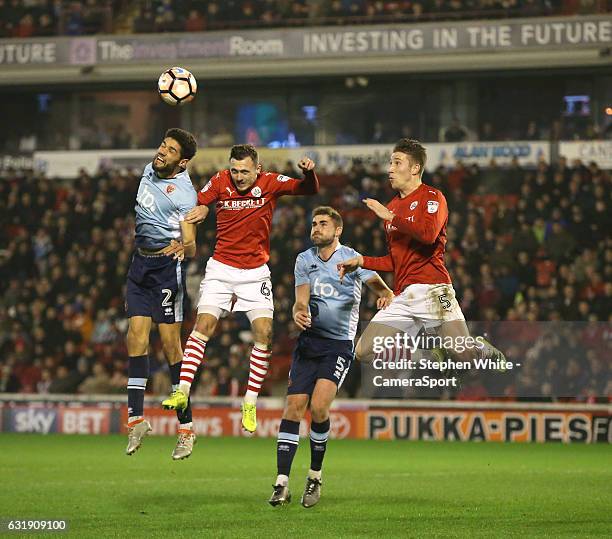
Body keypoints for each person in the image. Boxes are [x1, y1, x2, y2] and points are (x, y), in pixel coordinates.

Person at [161, 144, 320, 438]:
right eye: (234, 170)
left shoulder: (270, 182)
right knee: (203, 325)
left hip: (255, 273)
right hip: (221, 269)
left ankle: (249, 402)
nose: (238, 176)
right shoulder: (221, 180)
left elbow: (306, 189)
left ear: (257, 169)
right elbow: (200, 201)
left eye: (244, 171)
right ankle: (182, 390)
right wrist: (201, 208)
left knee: (265, 334)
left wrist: (309, 175)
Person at [337, 139, 504, 373]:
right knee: (363, 351)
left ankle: (480, 348)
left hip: (433, 289)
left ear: (415, 168)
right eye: (390, 163)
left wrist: (391, 217)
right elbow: (396, 260)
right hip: (403, 295)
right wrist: (363, 261)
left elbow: (428, 235)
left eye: (397, 163)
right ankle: (427, 355)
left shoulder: (433, 197)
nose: (390, 169)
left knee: (464, 357)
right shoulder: (392, 207)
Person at [269, 206, 393, 508]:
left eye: (323, 224)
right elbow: (300, 300)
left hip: (338, 345)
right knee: (293, 409)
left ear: (337, 231)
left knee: (320, 406)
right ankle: (281, 483)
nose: (316, 228)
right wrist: (298, 313)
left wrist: (385, 296)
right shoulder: (304, 260)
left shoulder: (352, 259)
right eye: (313, 223)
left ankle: (314, 476)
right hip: (308, 344)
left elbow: (384, 289)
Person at [125, 128, 198, 460]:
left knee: (171, 347)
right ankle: (136, 420)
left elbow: (192, 243)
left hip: (168, 270)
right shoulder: (148, 169)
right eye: (162, 145)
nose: (161, 152)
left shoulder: (184, 194)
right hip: (140, 265)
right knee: (135, 337)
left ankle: (186, 429)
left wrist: (184, 246)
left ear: (181, 162)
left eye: (170, 151)